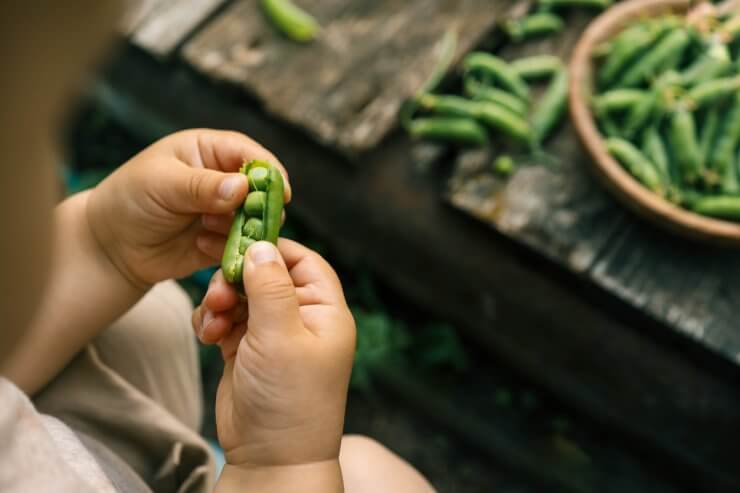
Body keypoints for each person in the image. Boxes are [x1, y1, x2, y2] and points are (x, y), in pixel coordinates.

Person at [0, 1, 434, 492]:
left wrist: (104, 245)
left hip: (88, 446)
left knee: (148, 320)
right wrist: (279, 461)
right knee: (379, 479)